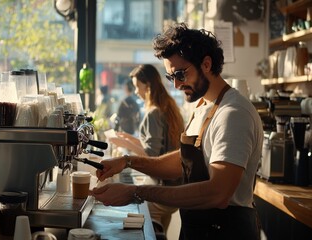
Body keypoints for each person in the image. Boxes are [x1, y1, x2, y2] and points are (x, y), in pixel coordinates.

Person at [91, 22, 263, 240]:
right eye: (170, 77)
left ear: (207, 64)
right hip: (198, 229)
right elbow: (182, 163)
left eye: (180, 74)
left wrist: (136, 192)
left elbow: (218, 193)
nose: (176, 85)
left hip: (225, 231)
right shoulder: (203, 106)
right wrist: (127, 161)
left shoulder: (233, 113)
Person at [108, 64, 184, 233]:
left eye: (136, 87)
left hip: (162, 190)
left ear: (147, 85)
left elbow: (151, 155)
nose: (135, 92)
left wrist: (125, 145)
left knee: (146, 231)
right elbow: (157, 145)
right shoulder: (168, 108)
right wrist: (129, 138)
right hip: (175, 188)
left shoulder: (153, 113)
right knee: (161, 234)